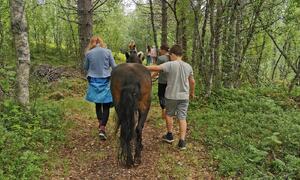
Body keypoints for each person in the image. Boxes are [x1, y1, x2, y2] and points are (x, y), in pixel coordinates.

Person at [146, 44, 195, 150]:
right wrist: (192, 93)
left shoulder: (170, 64)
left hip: (171, 96)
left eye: (170, 55)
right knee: (182, 118)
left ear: (173, 54)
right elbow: (192, 81)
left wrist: (143, 67)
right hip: (184, 96)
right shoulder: (188, 66)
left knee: (169, 115)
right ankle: (182, 141)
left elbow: (156, 68)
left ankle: (169, 135)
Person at [84, 36, 117, 140]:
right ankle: (102, 128)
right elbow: (114, 66)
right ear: (101, 42)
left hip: (93, 81)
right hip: (106, 81)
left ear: (92, 43)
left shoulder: (89, 53)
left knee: (98, 104)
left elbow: (85, 67)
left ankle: (101, 126)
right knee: (106, 105)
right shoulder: (108, 51)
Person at [151, 44, 169, 123]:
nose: (159, 51)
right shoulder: (171, 58)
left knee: (161, 96)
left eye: (160, 49)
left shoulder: (160, 58)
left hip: (162, 81)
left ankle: (163, 113)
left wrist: (150, 77)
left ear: (163, 50)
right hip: (171, 81)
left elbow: (157, 71)